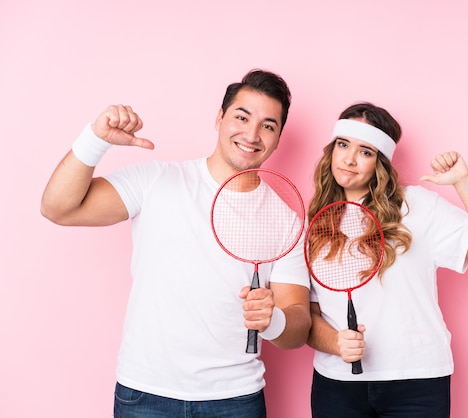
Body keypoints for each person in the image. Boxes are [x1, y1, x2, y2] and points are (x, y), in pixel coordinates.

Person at [40, 69, 311, 418]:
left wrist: (272, 320)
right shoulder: (156, 180)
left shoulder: (287, 220)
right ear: (220, 118)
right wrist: (96, 138)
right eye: (242, 117)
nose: (252, 134)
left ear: (277, 137)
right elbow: (57, 208)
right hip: (144, 395)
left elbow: (298, 324)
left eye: (268, 125)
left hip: (236, 400)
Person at [306, 102, 468, 418]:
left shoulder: (417, 205)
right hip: (338, 385)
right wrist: (335, 343)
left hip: (417, 380)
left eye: (365, 151)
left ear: (380, 162)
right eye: (343, 145)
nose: (348, 159)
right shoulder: (317, 223)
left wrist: (463, 183)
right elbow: (310, 314)